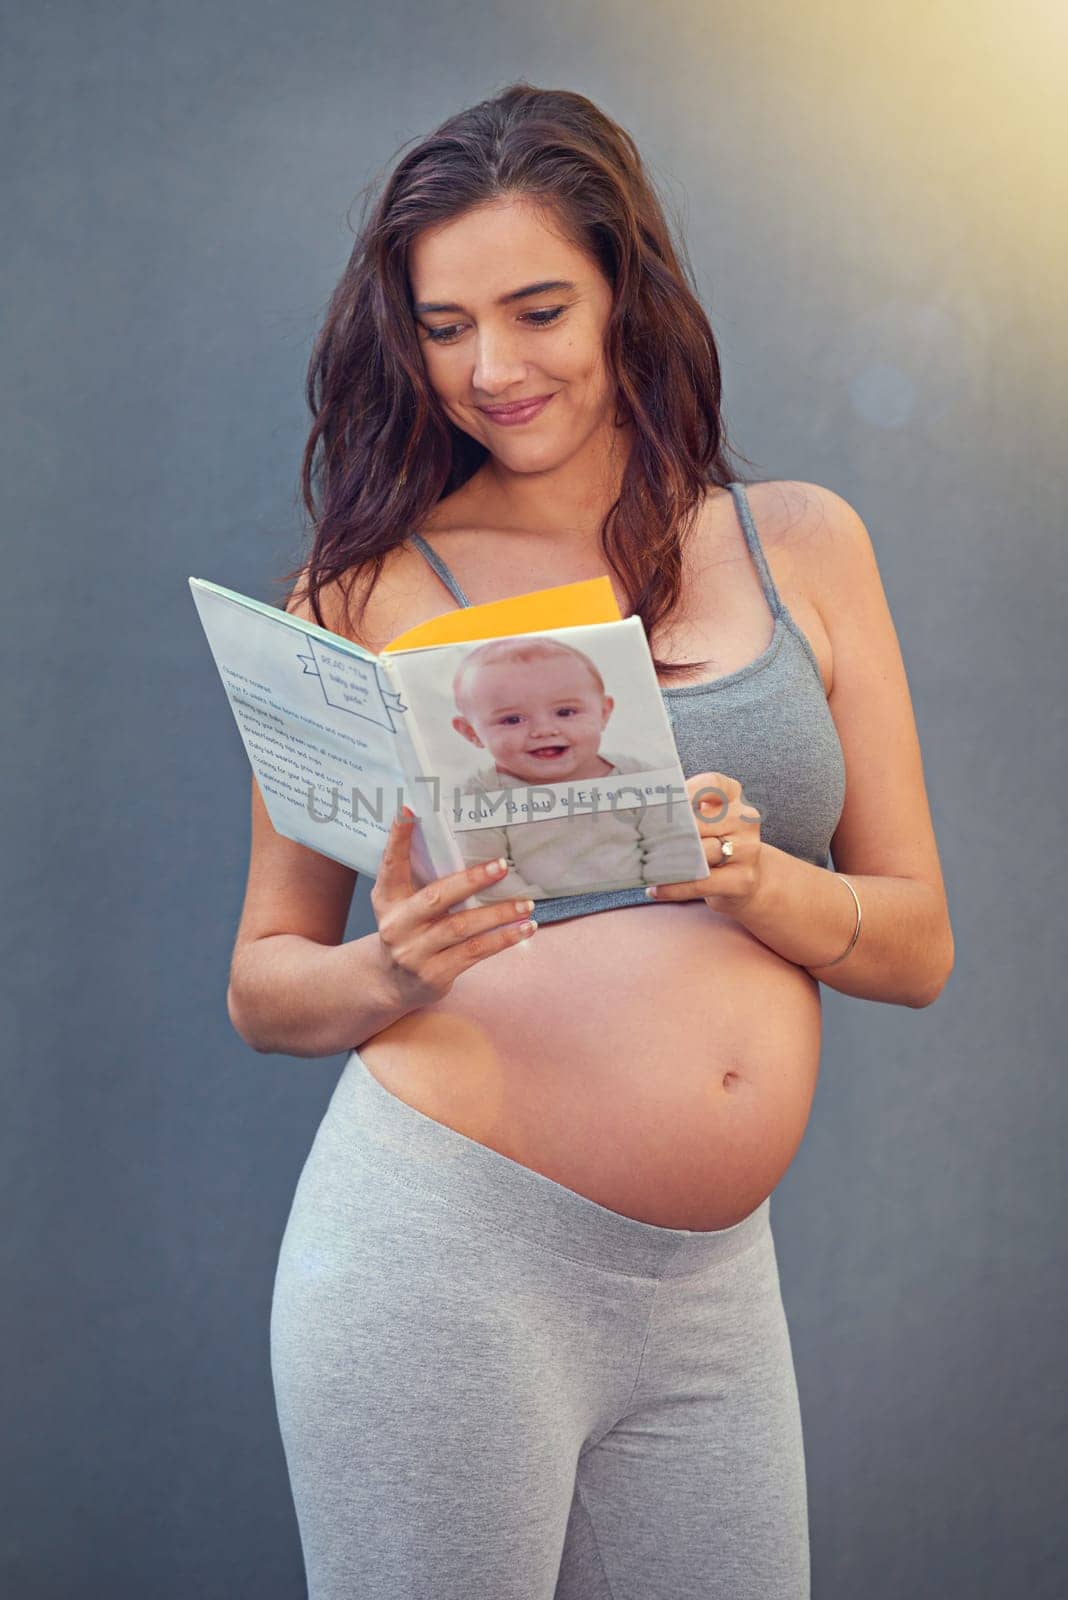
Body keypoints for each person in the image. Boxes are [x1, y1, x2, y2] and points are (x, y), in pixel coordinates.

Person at [227, 82, 954, 1600]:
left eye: (539, 307)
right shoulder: (359, 594)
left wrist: (758, 878)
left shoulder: (802, 545)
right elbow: (265, 983)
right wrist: (391, 967)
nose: (490, 368)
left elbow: (917, 945)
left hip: (711, 1292)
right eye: (442, 326)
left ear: (628, 286)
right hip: (445, 1262)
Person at [449, 633, 700, 901]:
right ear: (470, 732)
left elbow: (676, 844)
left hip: (651, 908)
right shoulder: (479, 795)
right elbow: (486, 873)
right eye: (512, 719)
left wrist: (657, 899)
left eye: (565, 712)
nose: (544, 730)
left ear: (603, 713)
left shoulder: (639, 776)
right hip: (544, 925)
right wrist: (549, 913)